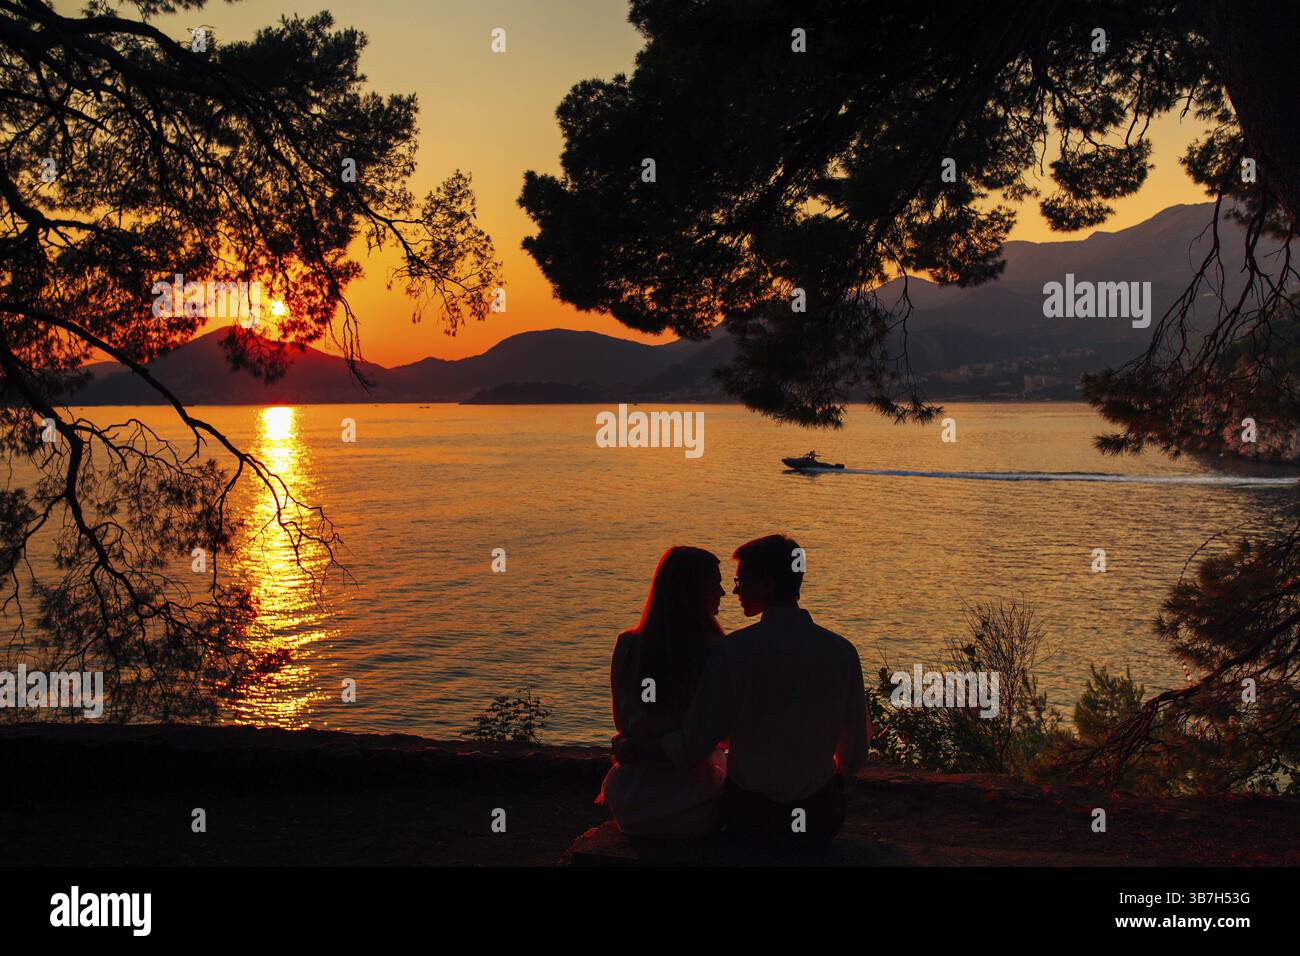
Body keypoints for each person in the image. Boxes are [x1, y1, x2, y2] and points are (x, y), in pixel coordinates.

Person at [617, 534, 868, 846]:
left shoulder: (733, 651)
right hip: (820, 817)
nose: (734, 591)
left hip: (751, 818)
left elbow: (694, 745)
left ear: (767, 585)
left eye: (741, 581)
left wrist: (641, 748)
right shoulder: (842, 652)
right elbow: (854, 757)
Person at [597, 546, 728, 837]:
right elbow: (705, 740)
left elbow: (622, 722)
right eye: (715, 584)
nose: (723, 592)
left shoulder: (627, 645)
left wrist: (641, 746)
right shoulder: (716, 651)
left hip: (632, 803)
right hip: (689, 804)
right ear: (693, 593)